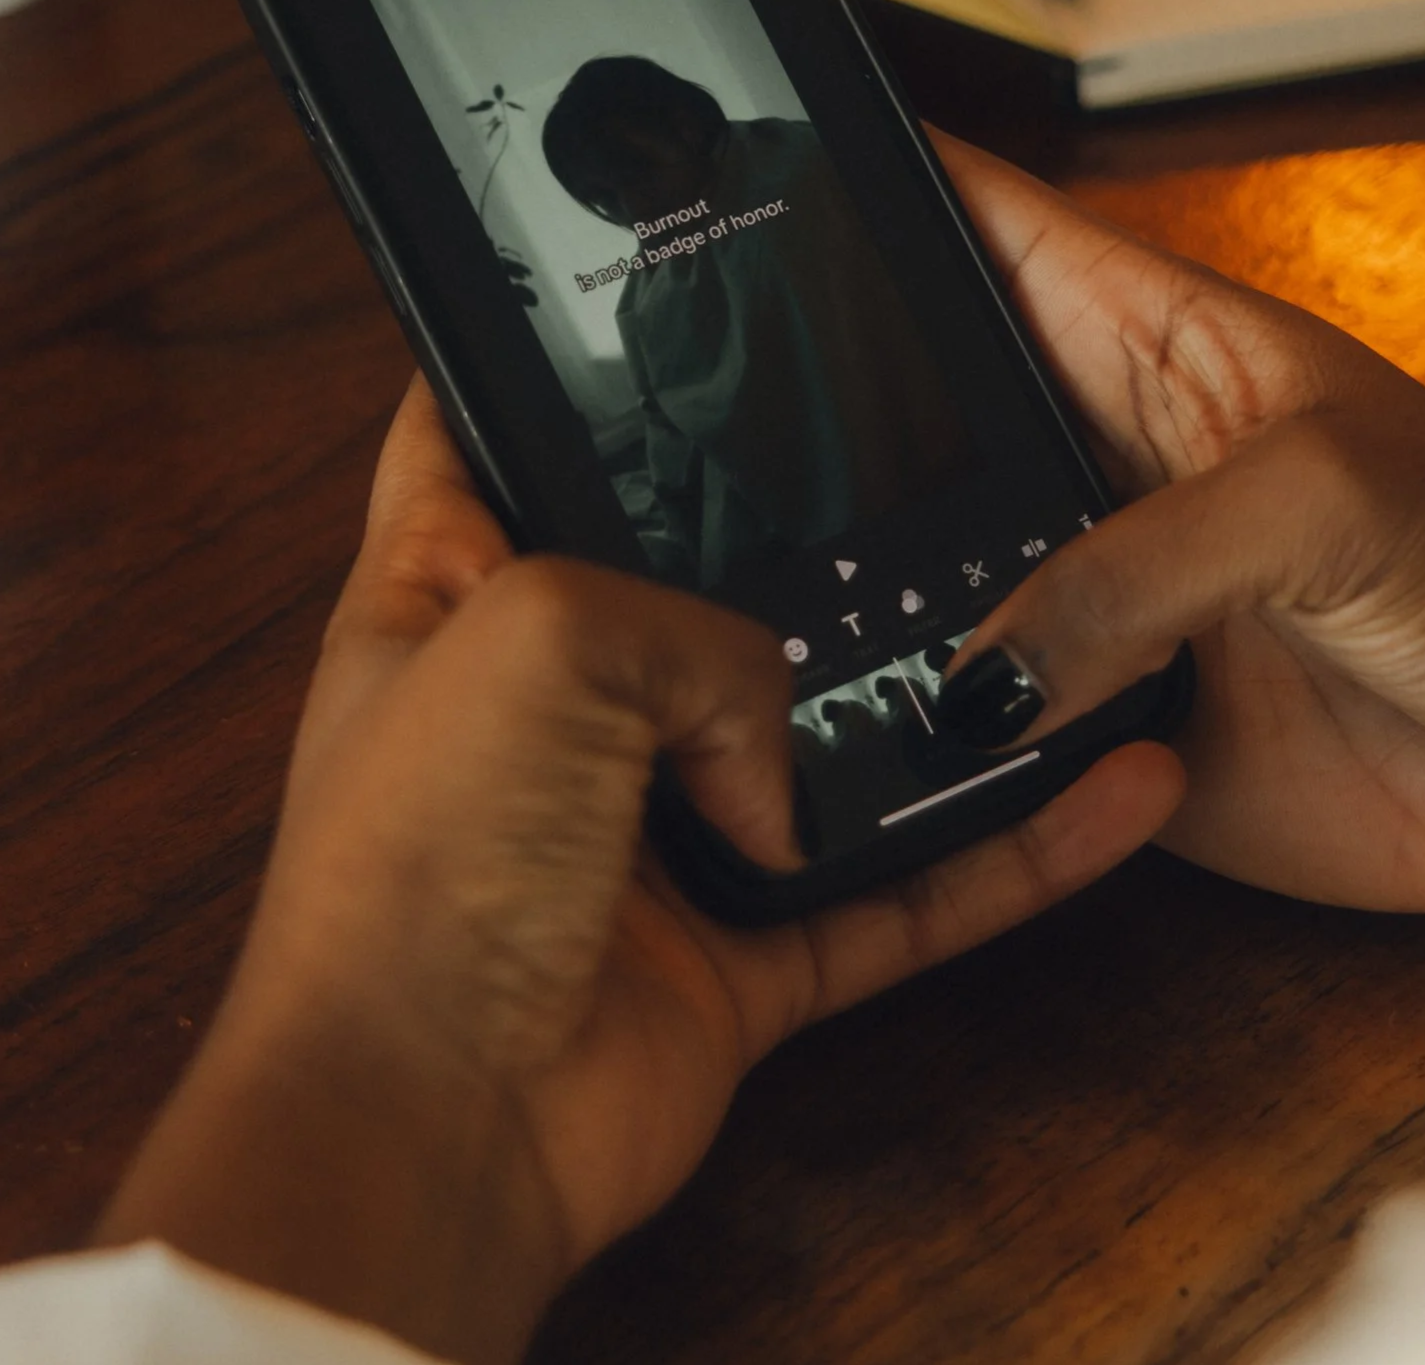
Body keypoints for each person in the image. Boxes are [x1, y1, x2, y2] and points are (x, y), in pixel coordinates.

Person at [7, 133, 1425, 1362]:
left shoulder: (687, 269)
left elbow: (699, 430)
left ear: (624, 185)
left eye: (617, 202)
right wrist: (427, 1095)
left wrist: (404, 1086)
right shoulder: (809, 181)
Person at [542, 57, 963, 587]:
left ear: (686, 129)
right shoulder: (655, 270)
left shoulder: (804, 176)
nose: (632, 211)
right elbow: (671, 449)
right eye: (604, 199)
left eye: (637, 175)